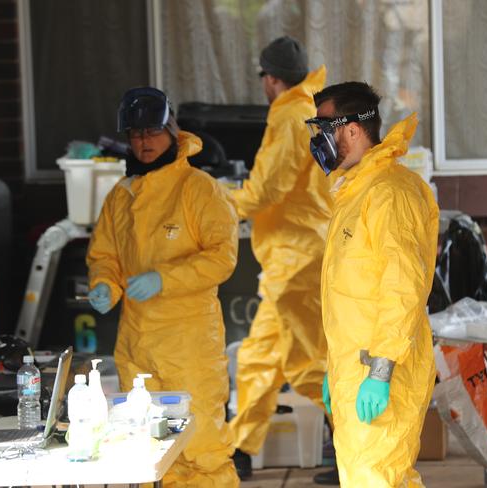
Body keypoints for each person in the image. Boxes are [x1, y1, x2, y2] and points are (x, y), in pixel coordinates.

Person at [86, 86, 240, 487]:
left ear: (172, 131)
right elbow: (105, 256)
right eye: (134, 135)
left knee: (201, 449)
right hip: (137, 344)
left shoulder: (198, 189)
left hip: (189, 345)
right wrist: (105, 285)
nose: (142, 142)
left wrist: (165, 279)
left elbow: (222, 256)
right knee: (147, 451)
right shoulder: (121, 197)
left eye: (151, 132)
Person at [306, 82, 439, 487]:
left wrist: (380, 371)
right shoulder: (356, 192)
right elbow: (352, 294)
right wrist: (336, 367)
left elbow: (404, 287)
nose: (318, 142)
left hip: (382, 370)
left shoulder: (390, 193)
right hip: (356, 368)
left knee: (377, 478)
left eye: (323, 129)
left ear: (350, 130)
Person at [228, 36, 331, 479]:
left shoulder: (291, 115)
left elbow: (269, 185)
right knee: (261, 356)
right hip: (301, 252)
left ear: (271, 79)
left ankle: (356, 450)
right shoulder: (315, 110)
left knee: (308, 362)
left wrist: (223, 206)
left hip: (297, 255)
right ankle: (241, 450)